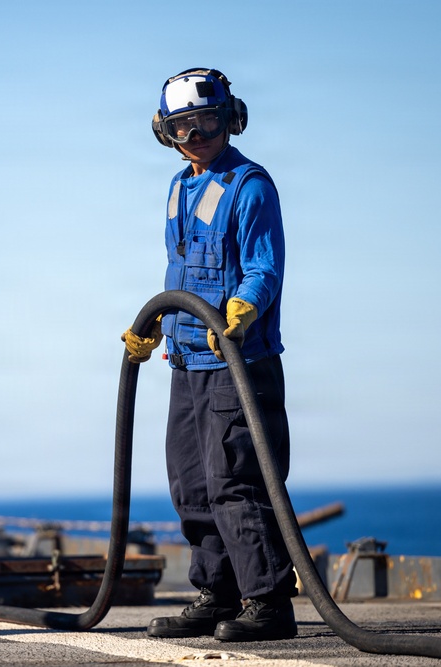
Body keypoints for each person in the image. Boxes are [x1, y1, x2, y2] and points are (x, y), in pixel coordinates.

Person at [123, 69, 298, 641]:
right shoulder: (179, 187)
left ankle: (268, 602)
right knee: (192, 483)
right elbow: (180, 270)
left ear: (231, 118)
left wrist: (243, 307)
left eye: (207, 121)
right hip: (187, 358)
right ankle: (218, 593)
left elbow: (262, 269)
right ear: (164, 132)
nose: (195, 134)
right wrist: (156, 324)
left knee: (236, 480)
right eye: (181, 126)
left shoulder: (250, 185)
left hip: (238, 362)